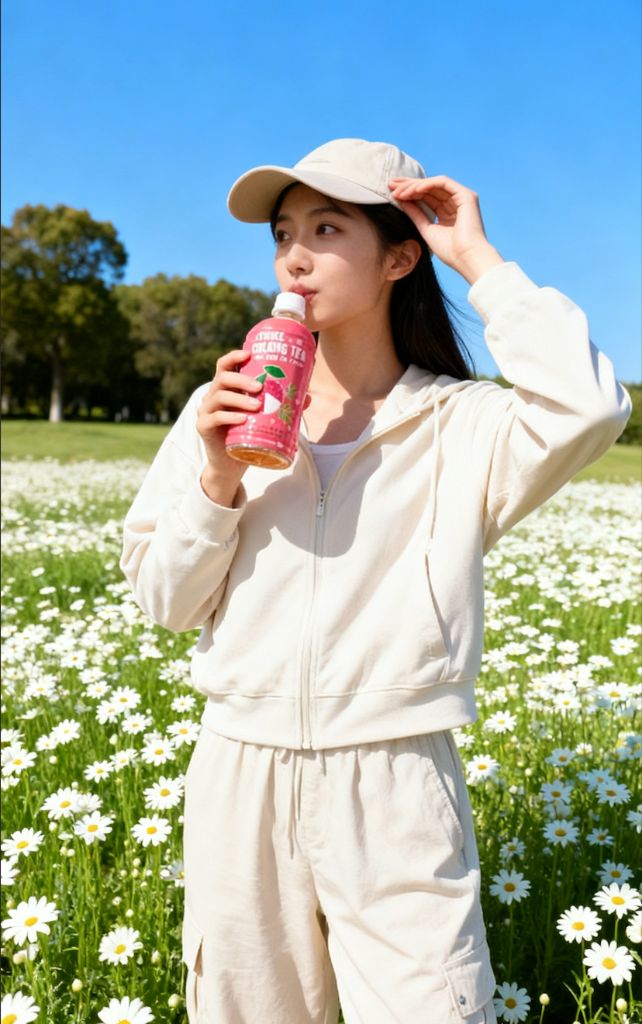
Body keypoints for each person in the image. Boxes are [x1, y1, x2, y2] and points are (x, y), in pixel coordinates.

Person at [120, 138, 630, 1023]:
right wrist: (216, 478)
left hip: (396, 782)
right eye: (283, 235)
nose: (295, 256)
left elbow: (590, 406)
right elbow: (167, 604)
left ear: (401, 256)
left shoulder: (461, 426)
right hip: (241, 773)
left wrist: (475, 256)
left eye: (327, 228)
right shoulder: (228, 407)